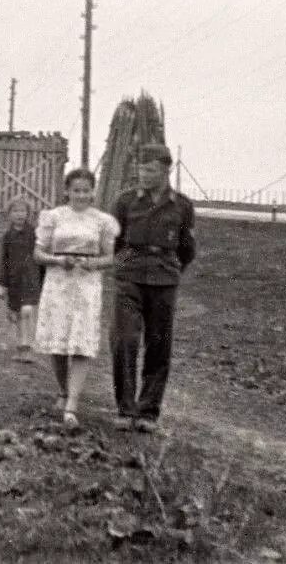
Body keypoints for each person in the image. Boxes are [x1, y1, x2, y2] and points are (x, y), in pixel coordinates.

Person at [110, 144, 196, 433]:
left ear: (166, 170)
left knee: (159, 345)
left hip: (164, 279)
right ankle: (125, 408)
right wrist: (124, 266)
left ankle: (148, 412)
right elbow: (115, 242)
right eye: (141, 169)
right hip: (129, 276)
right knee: (124, 340)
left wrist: (170, 271)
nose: (143, 175)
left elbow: (187, 249)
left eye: (150, 170)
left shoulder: (182, 206)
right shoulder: (125, 202)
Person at [33, 169, 119, 431]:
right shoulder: (54, 217)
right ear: (66, 191)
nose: (81, 195)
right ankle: (62, 390)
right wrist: (58, 260)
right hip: (58, 282)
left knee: (81, 343)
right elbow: (38, 253)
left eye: (86, 190)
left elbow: (111, 257)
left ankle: (72, 403)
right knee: (59, 343)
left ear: (93, 192)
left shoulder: (103, 221)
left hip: (87, 285)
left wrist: (92, 264)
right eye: (76, 190)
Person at [0, 198, 41, 364]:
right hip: (14, 281)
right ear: (9, 214)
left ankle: (27, 346)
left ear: (28, 214)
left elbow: (41, 256)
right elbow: (3, 261)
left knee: (27, 311)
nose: (19, 214)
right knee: (17, 313)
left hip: (31, 279)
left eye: (23, 211)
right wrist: (1, 283)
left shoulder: (35, 233)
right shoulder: (7, 236)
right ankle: (22, 346)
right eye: (15, 211)